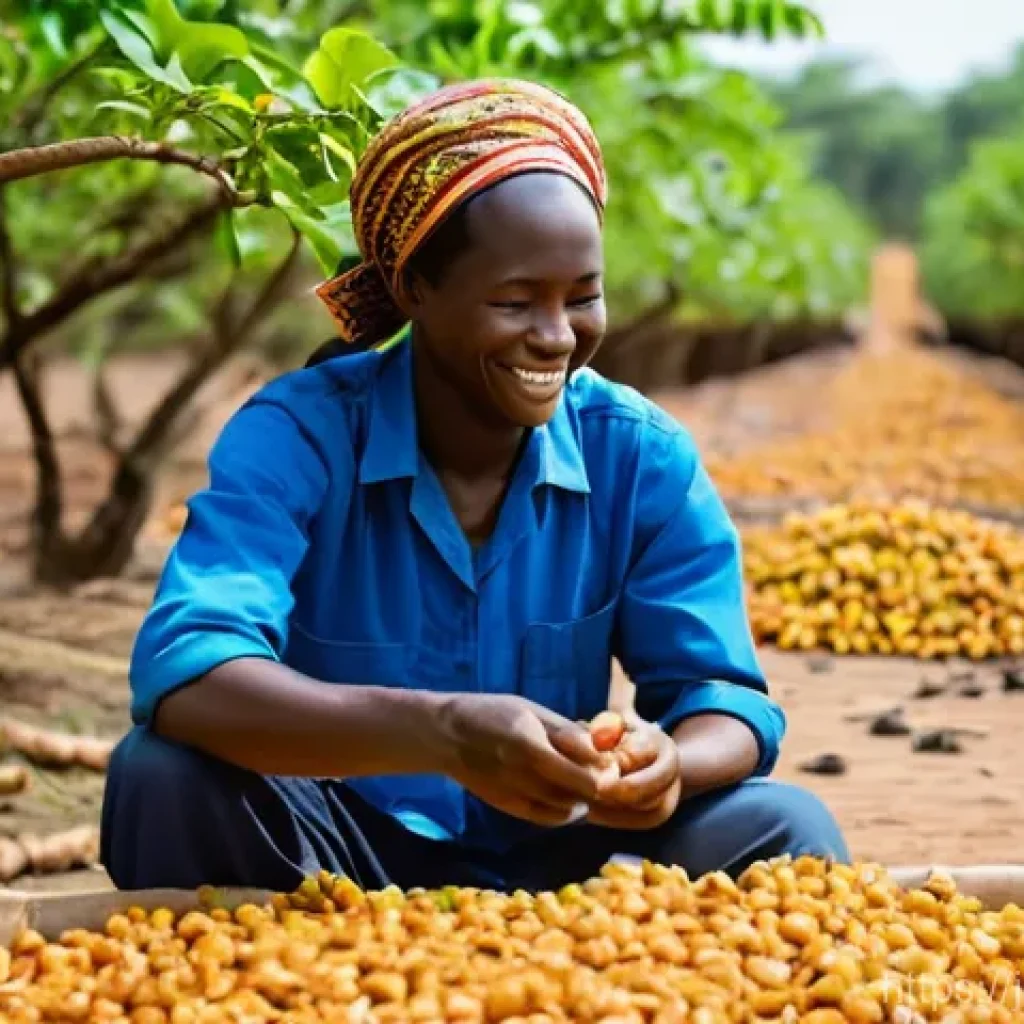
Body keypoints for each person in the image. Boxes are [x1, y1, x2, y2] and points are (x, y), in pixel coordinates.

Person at [100, 78, 848, 893]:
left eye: (583, 297)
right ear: (417, 288)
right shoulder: (299, 436)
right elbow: (189, 672)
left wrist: (669, 763)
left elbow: (723, 697)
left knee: (784, 828)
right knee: (160, 776)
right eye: (516, 301)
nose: (558, 336)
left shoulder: (637, 455)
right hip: (340, 851)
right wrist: (441, 734)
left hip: (570, 849)